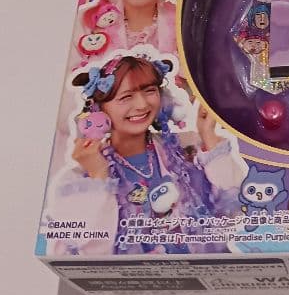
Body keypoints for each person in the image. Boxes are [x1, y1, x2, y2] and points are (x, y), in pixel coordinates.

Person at [44, 53, 245, 256]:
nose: (142, 105)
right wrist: (98, 177)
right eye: (126, 97)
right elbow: (88, 256)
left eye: (149, 91)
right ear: (98, 110)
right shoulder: (78, 179)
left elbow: (236, 210)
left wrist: (208, 136)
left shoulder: (187, 148)